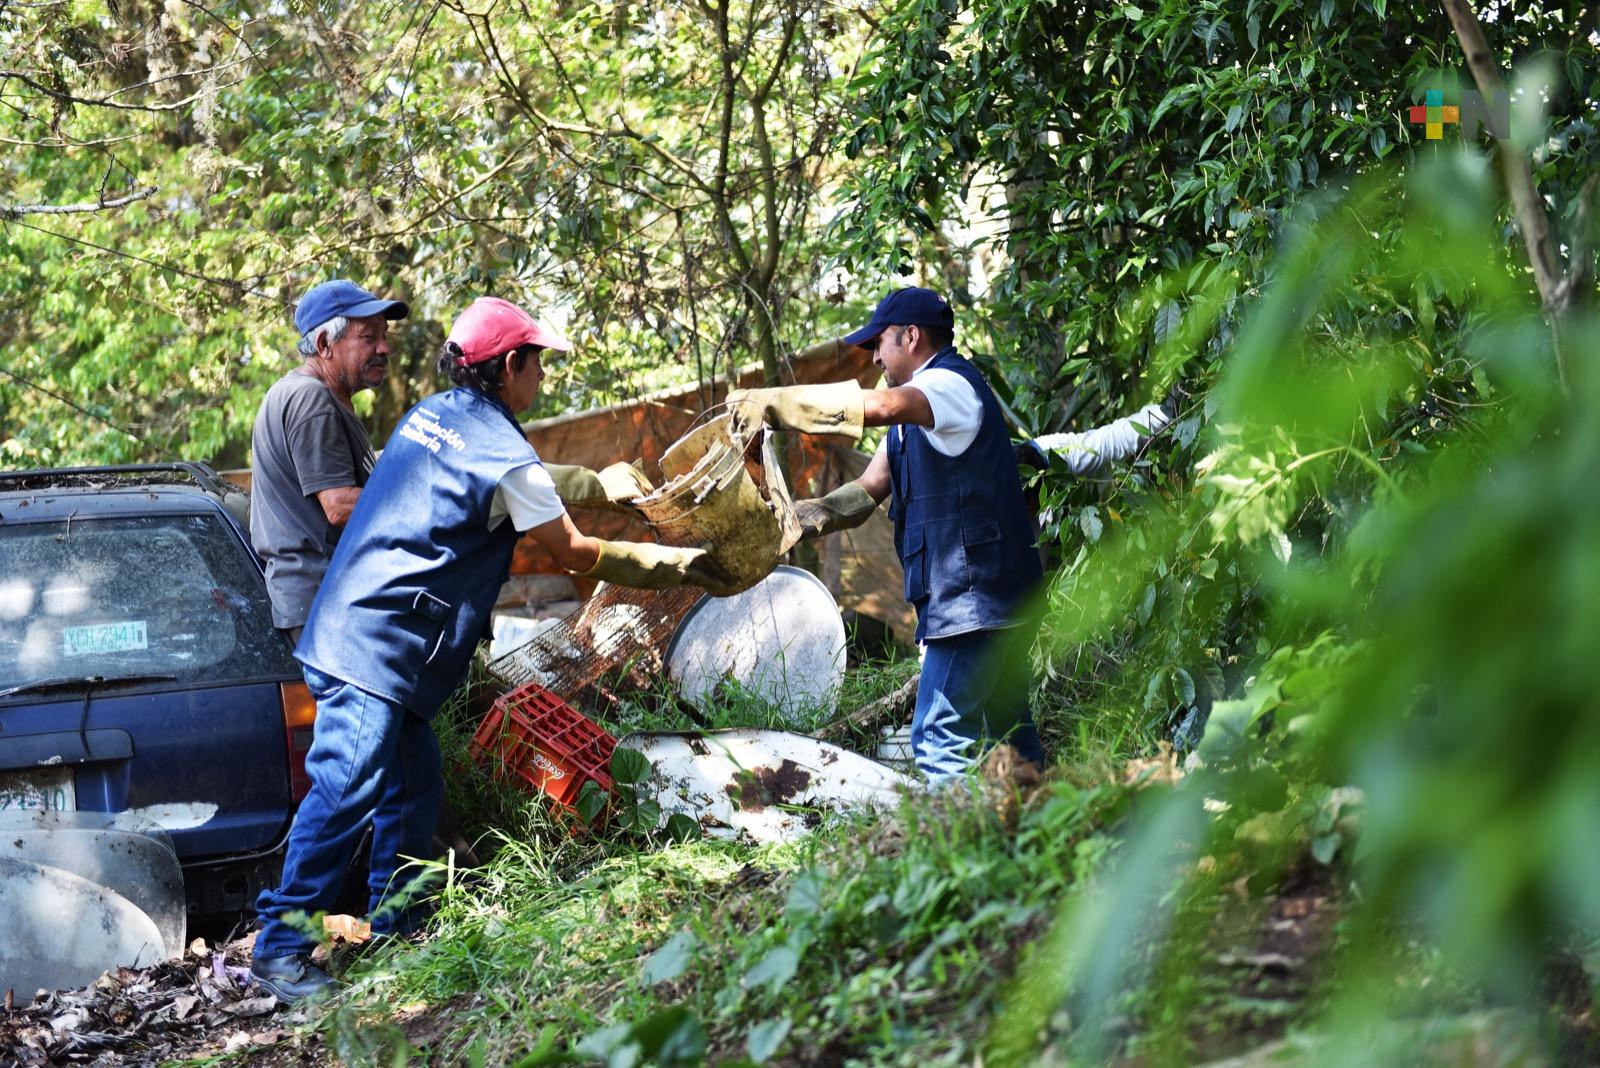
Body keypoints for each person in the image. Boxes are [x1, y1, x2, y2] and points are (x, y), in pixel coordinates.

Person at [250, 297, 735, 1001]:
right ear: (510, 366)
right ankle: (280, 949)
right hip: (375, 645)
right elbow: (576, 549)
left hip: (367, 633)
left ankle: (402, 930)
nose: (542, 380)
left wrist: (597, 485)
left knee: (413, 787)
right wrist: (689, 567)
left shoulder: (430, 416)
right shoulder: (507, 459)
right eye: (538, 365)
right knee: (344, 789)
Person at [729, 286, 1169, 785]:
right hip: (979, 601)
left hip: (974, 602)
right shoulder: (910, 420)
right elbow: (869, 488)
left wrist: (776, 406)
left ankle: (965, 855)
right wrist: (794, 521)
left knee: (938, 737)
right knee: (1010, 734)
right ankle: (1048, 840)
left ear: (911, 336)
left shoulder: (946, 386)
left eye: (880, 342)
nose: (874, 356)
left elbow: (888, 407)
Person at [250, 279, 408, 642]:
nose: (384, 347)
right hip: (323, 602)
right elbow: (338, 505)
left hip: (321, 600)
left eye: (384, 335)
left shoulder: (305, 394)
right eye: (369, 337)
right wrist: (419, 500)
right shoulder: (311, 400)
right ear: (324, 344)